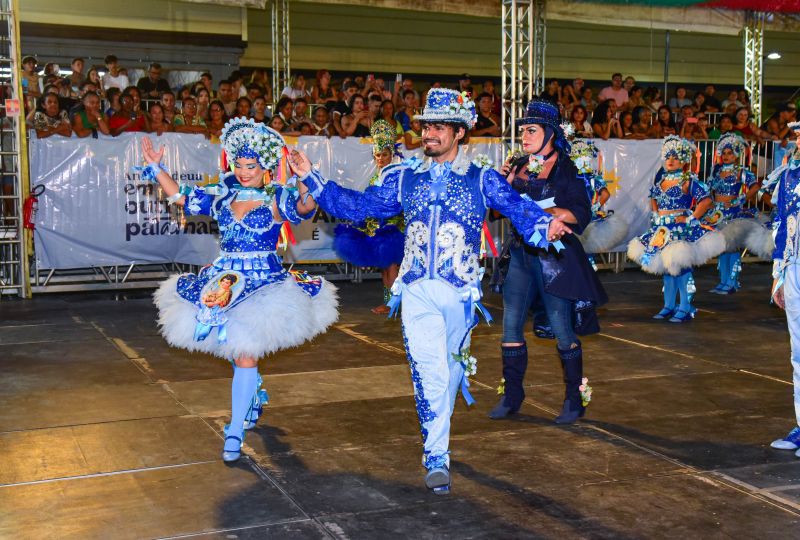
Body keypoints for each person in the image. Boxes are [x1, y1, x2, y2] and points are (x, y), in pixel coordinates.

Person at [288, 89, 571, 494]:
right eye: (425, 126)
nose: (428, 133)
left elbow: (516, 207)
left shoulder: (481, 178)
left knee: (452, 371)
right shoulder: (405, 177)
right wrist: (311, 179)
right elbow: (362, 207)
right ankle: (436, 455)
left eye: (438, 127)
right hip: (416, 287)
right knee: (429, 371)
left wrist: (546, 226)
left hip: (460, 293)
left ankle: (440, 429)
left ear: (460, 133)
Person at [145, 117, 338, 462]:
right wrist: (156, 167)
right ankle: (253, 395)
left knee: (245, 352)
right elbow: (180, 197)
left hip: (263, 283)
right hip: (225, 282)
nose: (244, 171)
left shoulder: (277, 196)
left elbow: (307, 206)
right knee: (237, 351)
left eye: (251, 165)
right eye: (239, 164)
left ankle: (234, 430)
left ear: (265, 166)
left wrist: (305, 178)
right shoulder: (223, 194)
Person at [489, 99, 607, 425]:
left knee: (561, 329)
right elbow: (496, 211)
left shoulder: (569, 169)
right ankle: (512, 395)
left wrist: (552, 215)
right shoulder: (519, 166)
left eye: (531, 130)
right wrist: (501, 187)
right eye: (523, 131)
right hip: (521, 257)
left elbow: (582, 213)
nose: (524, 137)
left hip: (555, 261)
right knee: (510, 325)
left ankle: (574, 399)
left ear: (550, 133)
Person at [628, 136, 725, 322]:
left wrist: (691, 218)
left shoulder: (689, 180)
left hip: (681, 230)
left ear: (683, 159)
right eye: (668, 157)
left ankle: (686, 307)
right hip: (662, 230)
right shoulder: (662, 179)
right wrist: (656, 214)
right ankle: (668, 306)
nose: (671, 160)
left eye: (675, 157)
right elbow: (653, 198)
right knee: (667, 269)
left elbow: (706, 201)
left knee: (680, 268)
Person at [332, 120, 405, 314]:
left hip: (392, 225)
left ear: (392, 154)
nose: (380, 158)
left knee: (390, 265)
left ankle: (394, 304)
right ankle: (390, 302)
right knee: (384, 265)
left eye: (384, 155)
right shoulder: (376, 176)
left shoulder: (397, 174)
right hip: (377, 225)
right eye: (377, 155)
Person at [767, 121, 800, 457]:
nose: (799, 139)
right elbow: (780, 221)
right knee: (798, 353)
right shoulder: (790, 174)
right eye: (798, 134)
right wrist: (778, 273)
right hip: (794, 266)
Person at [701, 133, 760, 294]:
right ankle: (723, 282)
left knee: (732, 248)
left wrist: (739, 200)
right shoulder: (716, 170)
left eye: (730, 153)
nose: (726, 156)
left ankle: (732, 282)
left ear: (736, 154)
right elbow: (708, 189)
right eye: (724, 153)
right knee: (722, 247)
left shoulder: (742, 171)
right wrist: (710, 202)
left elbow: (755, 187)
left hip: (733, 213)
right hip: (717, 213)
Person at [570, 139, 629, 255]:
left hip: (577, 218)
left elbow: (605, 195)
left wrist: (593, 208)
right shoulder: (591, 177)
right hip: (581, 217)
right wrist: (594, 208)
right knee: (583, 253)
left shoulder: (576, 178)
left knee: (577, 252)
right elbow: (605, 194)